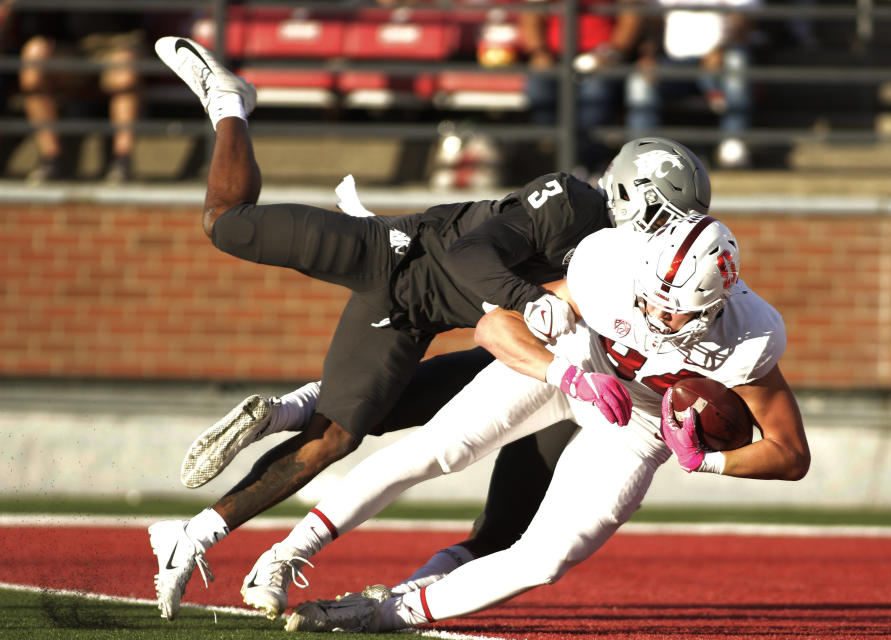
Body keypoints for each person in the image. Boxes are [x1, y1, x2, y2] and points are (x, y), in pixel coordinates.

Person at [147, 35, 711, 621]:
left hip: (420, 323)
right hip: (392, 255)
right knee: (227, 226)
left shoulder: (635, 265)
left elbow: (511, 347)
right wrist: (527, 299)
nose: (666, 237)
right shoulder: (571, 204)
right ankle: (229, 104)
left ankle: (198, 529)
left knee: (338, 436)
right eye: (663, 219)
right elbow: (470, 255)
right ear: (628, 194)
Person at [233, 214, 809, 632]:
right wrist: (569, 375)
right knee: (435, 449)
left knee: (548, 555)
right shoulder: (609, 264)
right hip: (568, 363)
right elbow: (494, 329)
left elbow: (790, 453)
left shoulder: (749, 337)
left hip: (637, 424)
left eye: (675, 305)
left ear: (716, 304)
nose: (656, 311)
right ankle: (290, 551)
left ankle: (388, 612)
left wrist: (703, 458)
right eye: (650, 295)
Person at [626, 0, 760, 168]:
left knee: (737, 61)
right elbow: (654, 20)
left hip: (721, 59)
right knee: (640, 78)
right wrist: (649, 55)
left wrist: (721, 48)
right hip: (673, 63)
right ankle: (640, 155)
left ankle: (733, 142)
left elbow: (744, 18)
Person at [520, 0, 646, 176]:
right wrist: (539, 52)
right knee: (539, 88)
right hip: (555, 58)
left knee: (595, 95)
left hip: (601, 60)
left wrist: (612, 52)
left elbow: (631, 14)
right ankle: (555, 162)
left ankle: (586, 166)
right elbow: (533, 12)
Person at [17, 11, 144, 183]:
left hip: (119, 41)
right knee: (34, 54)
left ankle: (122, 162)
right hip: (69, 44)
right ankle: (51, 160)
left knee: (125, 72)